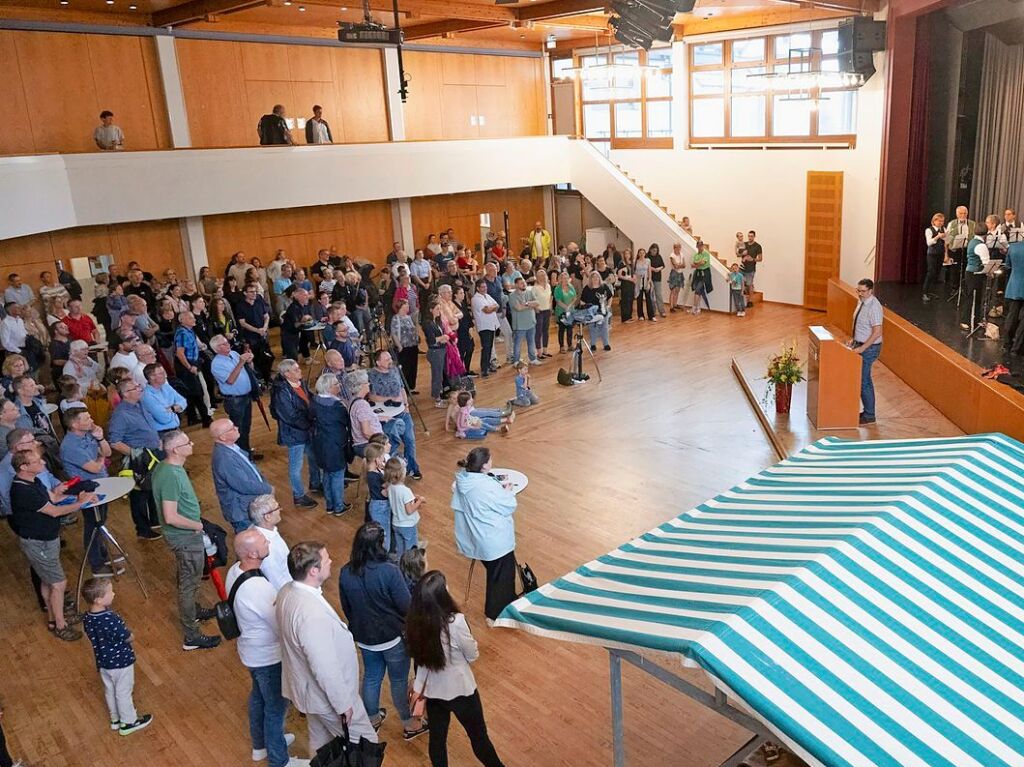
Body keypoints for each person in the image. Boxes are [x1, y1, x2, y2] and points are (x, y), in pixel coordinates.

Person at [276, 541, 379, 750]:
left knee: (321, 745)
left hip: (308, 691)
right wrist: (343, 705)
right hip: (328, 698)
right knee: (367, 745)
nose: (331, 561)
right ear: (314, 571)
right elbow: (324, 667)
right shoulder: (310, 614)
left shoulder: (287, 591)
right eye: (326, 559)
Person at [406, 571, 505, 767]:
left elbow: (420, 661)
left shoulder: (415, 622)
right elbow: (473, 654)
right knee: (479, 737)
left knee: (437, 740)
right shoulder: (456, 622)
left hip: (434, 693)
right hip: (462, 691)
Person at [224, 530, 307, 767]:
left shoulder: (234, 571)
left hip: (250, 651)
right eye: (263, 542)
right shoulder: (258, 587)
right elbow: (278, 622)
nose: (268, 541)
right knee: (276, 708)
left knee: (258, 697)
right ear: (252, 553)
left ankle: (261, 746)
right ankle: (280, 760)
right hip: (268, 656)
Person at [338, 523, 427, 739]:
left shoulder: (345, 572)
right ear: (380, 543)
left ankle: (372, 718)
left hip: (365, 638)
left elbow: (346, 606)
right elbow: (406, 606)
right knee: (398, 681)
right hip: (392, 637)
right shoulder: (389, 571)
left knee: (371, 676)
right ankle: (409, 723)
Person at [151, 429, 222, 651]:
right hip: (185, 536)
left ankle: (195, 610)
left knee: (186, 576)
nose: (192, 444)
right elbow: (171, 516)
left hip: (186, 533)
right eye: (186, 443)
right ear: (175, 450)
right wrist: (199, 526)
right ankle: (191, 635)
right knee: (189, 584)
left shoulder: (167, 467)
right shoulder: (170, 475)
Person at [450, 447, 518, 621]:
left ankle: (506, 602)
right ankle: (494, 614)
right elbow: (508, 505)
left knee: (499, 573)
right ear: (485, 466)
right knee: (501, 576)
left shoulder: (462, 481)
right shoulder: (485, 486)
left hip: (476, 537)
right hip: (494, 539)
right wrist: (508, 491)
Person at [81, 577, 153, 735]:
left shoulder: (87, 618)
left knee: (110, 689)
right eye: (110, 592)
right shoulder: (110, 619)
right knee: (123, 691)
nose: (113, 594)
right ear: (99, 600)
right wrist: (132, 636)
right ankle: (128, 722)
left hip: (103, 661)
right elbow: (126, 636)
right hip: (121, 662)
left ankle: (115, 718)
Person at [60, 408, 116, 577]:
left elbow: (107, 452)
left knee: (101, 521)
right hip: (87, 488)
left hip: (101, 483)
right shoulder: (70, 446)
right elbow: (94, 467)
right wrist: (101, 459)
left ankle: (103, 553)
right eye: (86, 418)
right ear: (75, 424)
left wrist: (100, 438)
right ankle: (96, 564)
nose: (91, 419)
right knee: (93, 524)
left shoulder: (89, 434)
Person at [107, 379, 162, 541]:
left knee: (152, 488)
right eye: (135, 387)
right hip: (139, 460)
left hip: (153, 454)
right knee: (139, 495)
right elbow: (115, 441)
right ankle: (143, 529)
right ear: (125, 394)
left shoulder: (140, 404)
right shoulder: (121, 415)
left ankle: (155, 520)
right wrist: (136, 454)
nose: (140, 388)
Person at [269, 359, 321, 509]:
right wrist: (309, 423)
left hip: (306, 429)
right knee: (295, 467)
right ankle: (298, 495)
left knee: (314, 458)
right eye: (296, 369)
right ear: (287, 374)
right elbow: (290, 416)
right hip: (294, 433)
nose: (300, 371)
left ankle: (316, 484)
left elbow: (309, 398)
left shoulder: (300, 382)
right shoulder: (281, 391)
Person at [210, 419, 272, 534]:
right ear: (223, 437)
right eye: (232, 428)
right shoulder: (225, 459)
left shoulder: (232, 447)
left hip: (248, 506)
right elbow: (244, 485)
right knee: (251, 544)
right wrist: (268, 488)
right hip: (242, 512)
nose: (237, 428)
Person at [368, 351, 423, 480]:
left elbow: (402, 388)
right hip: (387, 417)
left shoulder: (394, 370)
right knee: (392, 444)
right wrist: (391, 398)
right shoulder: (372, 375)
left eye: (390, 358)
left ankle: (412, 468)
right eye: (386, 359)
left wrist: (406, 404)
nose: (390, 361)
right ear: (378, 362)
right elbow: (371, 396)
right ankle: (391, 472)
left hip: (402, 412)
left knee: (410, 440)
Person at [310, 373, 354, 517]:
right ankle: (339, 506)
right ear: (329, 388)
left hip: (319, 444)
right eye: (336, 384)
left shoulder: (314, 401)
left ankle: (330, 505)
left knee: (327, 474)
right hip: (334, 445)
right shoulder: (336, 406)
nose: (339, 385)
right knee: (337, 475)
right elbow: (347, 422)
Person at [851, 279, 883, 426]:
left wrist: (862, 349)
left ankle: (869, 415)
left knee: (863, 381)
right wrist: (853, 341)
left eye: (863, 291)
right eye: (858, 290)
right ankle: (867, 412)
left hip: (869, 348)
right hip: (859, 344)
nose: (860, 294)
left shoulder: (874, 307)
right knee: (863, 380)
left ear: (870, 291)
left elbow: (877, 332)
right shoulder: (861, 302)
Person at [384, 456, 423, 555]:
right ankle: (409, 568)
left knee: (400, 550)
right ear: (401, 473)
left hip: (396, 524)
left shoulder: (390, 487)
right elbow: (409, 510)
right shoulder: (406, 491)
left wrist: (412, 497)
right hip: (408, 525)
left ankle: (400, 566)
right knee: (411, 551)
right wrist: (420, 501)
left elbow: (396, 498)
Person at [236, 283, 273, 382]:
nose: (254, 294)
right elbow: (242, 323)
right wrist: (257, 330)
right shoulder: (240, 306)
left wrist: (264, 328)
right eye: (251, 292)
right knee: (256, 358)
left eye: (255, 291)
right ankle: (259, 379)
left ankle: (267, 377)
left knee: (268, 356)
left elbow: (266, 316)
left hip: (262, 334)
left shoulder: (259, 302)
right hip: (250, 337)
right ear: (245, 293)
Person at [959, 223, 991, 332]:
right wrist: (991, 272)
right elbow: (986, 263)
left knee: (974, 298)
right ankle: (965, 321)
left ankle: (975, 319)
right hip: (975, 274)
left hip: (969, 272)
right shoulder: (981, 245)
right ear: (986, 234)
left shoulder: (972, 241)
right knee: (972, 298)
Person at [508, 277, 539, 366]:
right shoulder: (512, 296)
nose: (524, 284)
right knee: (517, 344)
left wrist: (526, 304)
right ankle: (516, 361)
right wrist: (530, 304)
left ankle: (533, 359)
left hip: (531, 322)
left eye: (524, 282)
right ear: (516, 285)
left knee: (531, 341)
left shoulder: (529, 292)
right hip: (520, 324)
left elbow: (537, 303)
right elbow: (518, 308)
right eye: (521, 283)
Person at [390, 300, 420, 394]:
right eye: (406, 305)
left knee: (413, 367)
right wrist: (399, 346)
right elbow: (394, 333)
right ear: (401, 307)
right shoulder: (396, 318)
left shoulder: (408, 317)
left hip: (413, 346)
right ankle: (403, 389)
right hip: (404, 347)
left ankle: (411, 387)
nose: (408, 307)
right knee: (404, 368)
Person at [579, 271, 612, 352]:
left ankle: (606, 344)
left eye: (597, 277)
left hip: (603, 310)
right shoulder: (587, 288)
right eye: (593, 277)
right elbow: (582, 301)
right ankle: (593, 344)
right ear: (590, 279)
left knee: (604, 327)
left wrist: (608, 306)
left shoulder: (603, 286)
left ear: (599, 278)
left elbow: (610, 297)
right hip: (592, 312)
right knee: (592, 328)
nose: (595, 279)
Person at [1003, 238, 1024, 355]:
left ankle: (1006, 344)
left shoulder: (1013, 247)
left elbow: (1007, 266)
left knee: (1012, 315)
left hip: (1014, 285)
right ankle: (1016, 349)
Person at [922, 212, 947, 303]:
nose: (941, 223)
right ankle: (925, 292)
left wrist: (945, 237)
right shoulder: (929, 230)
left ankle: (931, 292)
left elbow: (946, 242)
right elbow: (929, 243)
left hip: (940, 253)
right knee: (930, 272)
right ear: (934, 221)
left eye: (942, 221)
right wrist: (937, 237)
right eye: (939, 221)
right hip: (932, 254)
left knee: (937, 272)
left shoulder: (944, 229)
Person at [552, 271, 577, 354]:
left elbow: (575, 297)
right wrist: (566, 308)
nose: (565, 280)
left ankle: (570, 345)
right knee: (562, 329)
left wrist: (569, 307)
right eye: (563, 278)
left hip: (570, 311)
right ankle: (562, 346)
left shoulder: (571, 286)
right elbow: (558, 301)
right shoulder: (557, 289)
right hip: (561, 311)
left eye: (566, 278)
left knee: (570, 329)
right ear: (560, 279)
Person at [532, 268, 553, 358]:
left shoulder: (548, 286)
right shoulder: (535, 288)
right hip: (539, 311)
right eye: (540, 275)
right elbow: (532, 299)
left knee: (546, 331)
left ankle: (545, 350)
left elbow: (550, 297)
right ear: (537, 277)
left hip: (547, 310)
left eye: (544, 275)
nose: (543, 277)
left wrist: (550, 307)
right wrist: (536, 308)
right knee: (538, 332)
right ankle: (539, 352)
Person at [634, 248, 656, 322]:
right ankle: (640, 315)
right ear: (638, 254)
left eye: (643, 253)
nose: (642, 254)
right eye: (640, 253)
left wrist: (649, 279)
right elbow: (634, 272)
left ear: (645, 253)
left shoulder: (648, 260)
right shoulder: (636, 261)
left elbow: (649, 271)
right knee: (639, 299)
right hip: (639, 281)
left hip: (646, 280)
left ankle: (651, 316)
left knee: (648, 298)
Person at [690, 242, 713, 315]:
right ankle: (698, 307)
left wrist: (697, 264)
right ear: (697, 246)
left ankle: (694, 307)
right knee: (699, 291)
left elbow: (702, 263)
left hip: (705, 274)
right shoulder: (696, 255)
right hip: (698, 274)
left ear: (703, 246)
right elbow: (693, 263)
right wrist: (697, 264)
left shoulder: (706, 254)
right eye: (698, 246)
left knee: (697, 290)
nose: (700, 247)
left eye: (701, 246)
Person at [741, 230, 763, 306]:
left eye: (751, 236)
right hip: (742, 267)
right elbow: (738, 254)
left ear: (754, 236)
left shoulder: (758, 246)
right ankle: (741, 299)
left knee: (749, 284)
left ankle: (750, 301)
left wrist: (752, 259)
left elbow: (760, 259)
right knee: (740, 282)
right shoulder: (744, 244)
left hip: (750, 269)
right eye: (749, 236)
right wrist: (741, 254)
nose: (750, 237)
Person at [668, 243, 686, 313]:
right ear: (674, 248)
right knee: (673, 290)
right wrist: (679, 265)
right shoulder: (672, 255)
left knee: (678, 289)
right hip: (674, 274)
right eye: (677, 247)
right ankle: (671, 307)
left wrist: (679, 265)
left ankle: (675, 304)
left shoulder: (682, 254)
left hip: (680, 273)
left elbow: (684, 265)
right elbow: (675, 266)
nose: (679, 248)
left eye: (680, 247)